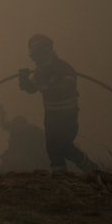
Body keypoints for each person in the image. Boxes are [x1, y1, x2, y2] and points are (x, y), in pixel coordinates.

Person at [18, 34, 98, 173]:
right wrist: (24, 80)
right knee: (51, 145)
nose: (36, 60)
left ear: (48, 51)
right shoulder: (40, 72)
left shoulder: (63, 67)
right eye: (34, 57)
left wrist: (44, 86)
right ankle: (59, 173)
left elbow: (66, 86)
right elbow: (32, 88)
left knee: (63, 144)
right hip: (51, 114)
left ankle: (91, 169)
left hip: (67, 114)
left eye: (39, 55)